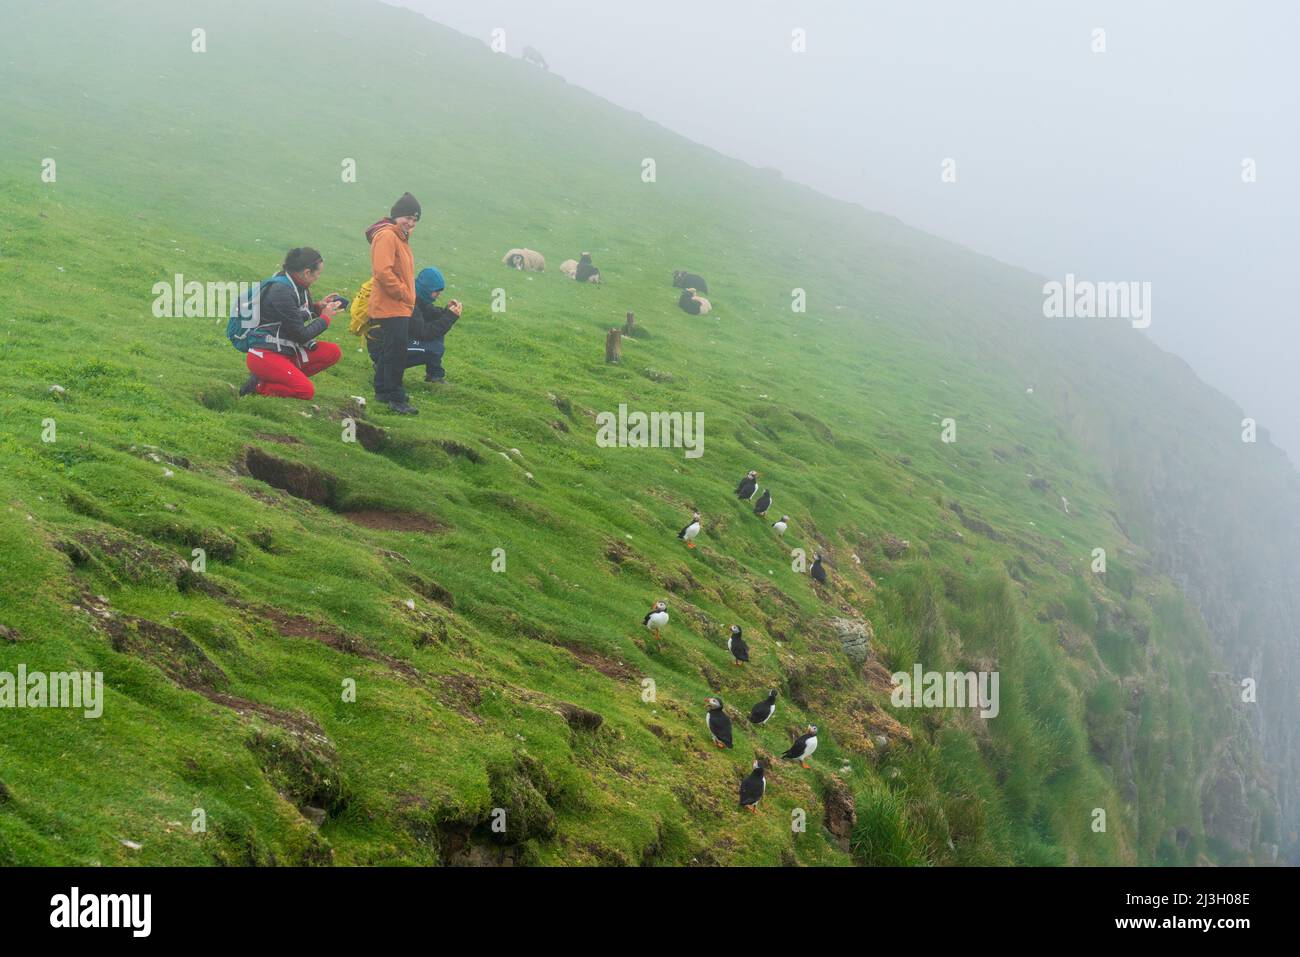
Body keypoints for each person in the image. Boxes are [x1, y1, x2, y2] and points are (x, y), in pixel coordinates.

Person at [239, 247, 343, 400]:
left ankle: (283, 376)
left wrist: (317, 309)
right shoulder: (281, 291)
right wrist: (325, 319)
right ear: (307, 272)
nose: (318, 278)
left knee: (332, 352)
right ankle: (258, 386)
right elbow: (301, 335)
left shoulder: (296, 284)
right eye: (318, 274)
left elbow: (291, 317)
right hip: (266, 353)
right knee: (305, 391)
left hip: (285, 349)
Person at [366, 193, 420, 414]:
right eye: (407, 217)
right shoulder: (388, 236)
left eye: (415, 219)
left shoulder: (400, 237)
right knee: (397, 351)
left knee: (391, 349)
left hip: (396, 305)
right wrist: (403, 294)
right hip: (392, 304)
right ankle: (395, 397)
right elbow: (382, 271)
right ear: (396, 215)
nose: (411, 222)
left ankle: (383, 391)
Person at [366, 266, 462, 384]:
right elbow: (424, 333)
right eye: (436, 292)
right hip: (382, 346)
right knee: (436, 349)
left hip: (386, 341)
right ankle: (384, 365)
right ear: (427, 289)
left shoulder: (414, 294)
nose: (438, 295)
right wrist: (450, 317)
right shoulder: (408, 302)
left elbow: (428, 312)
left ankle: (434, 375)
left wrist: (447, 311)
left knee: (437, 336)